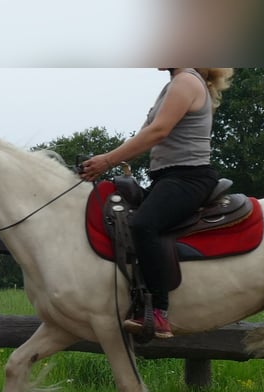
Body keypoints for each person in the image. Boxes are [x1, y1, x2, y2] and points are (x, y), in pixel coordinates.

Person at [80, 67, 234, 339]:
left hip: (187, 178)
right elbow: (143, 136)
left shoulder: (186, 81)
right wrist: (106, 160)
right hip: (169, 178)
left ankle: (159, 312)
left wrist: (107, 161)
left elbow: (158, 132)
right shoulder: (174, 85)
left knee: (143, 225)